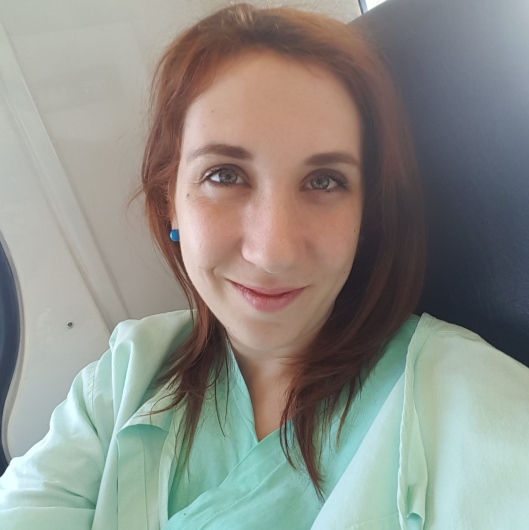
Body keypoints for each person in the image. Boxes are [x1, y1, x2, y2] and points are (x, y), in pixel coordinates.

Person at [1, 3, 529, 529]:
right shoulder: (124, 374)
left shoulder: (461, 395)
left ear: (366, 213)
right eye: (225, 175)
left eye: (324, 181)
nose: (273, 251)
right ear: (170, 203)